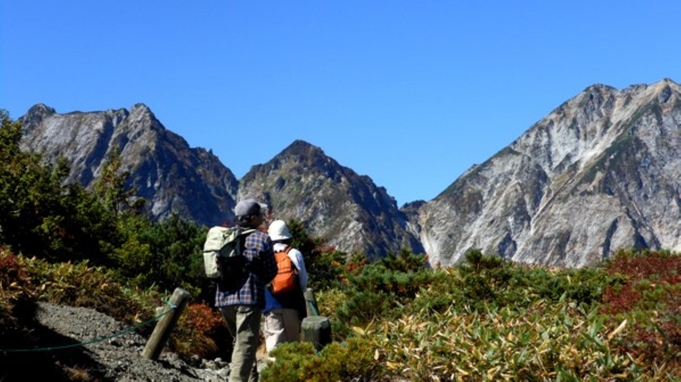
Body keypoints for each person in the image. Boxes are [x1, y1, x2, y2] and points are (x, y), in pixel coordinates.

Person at [215, 199, 277, 382]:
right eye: (259, 214)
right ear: (251, 218)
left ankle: (250, 378)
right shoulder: (262, 239)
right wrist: (259, 281)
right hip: (249, 299)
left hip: (223, 298)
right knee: (245, 344)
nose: (263, 217)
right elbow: (271, 271)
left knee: (241, 342)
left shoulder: (225, 236)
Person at [263, 219, 309, 356]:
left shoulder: (265, 253)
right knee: (293, 347)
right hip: (292, 305)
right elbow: (303, 281)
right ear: (287, 237)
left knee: (274, 348)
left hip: (271, 306)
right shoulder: (294, 253)